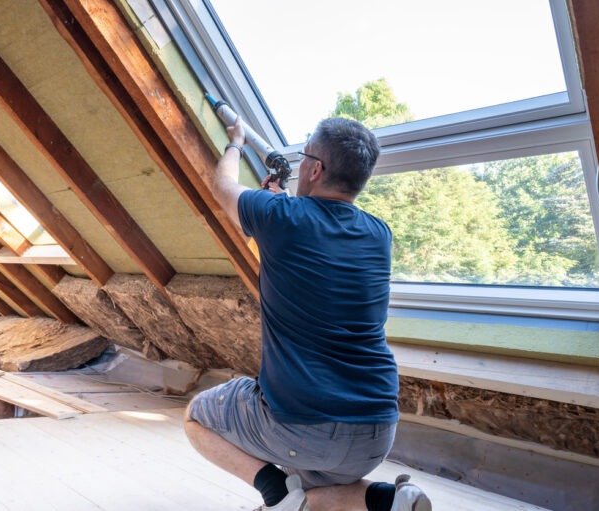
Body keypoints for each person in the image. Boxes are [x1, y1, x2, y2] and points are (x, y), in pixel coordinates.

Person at [184, 115, 431, 511]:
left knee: (197, 417)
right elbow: (316, 236)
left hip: (305, 428)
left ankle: (275, 493)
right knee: (309, 483)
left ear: (315, 169)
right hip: (377, 430)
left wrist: (236, 142)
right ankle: (386, 499)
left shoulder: (279, 217)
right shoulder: (378, 233)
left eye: (304, 158)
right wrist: (280, 203)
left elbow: (223, 187)